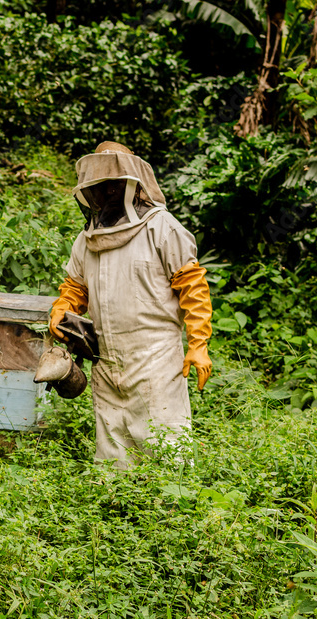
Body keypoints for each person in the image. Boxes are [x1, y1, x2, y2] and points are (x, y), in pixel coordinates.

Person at [48, 141, 213, 470]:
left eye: (114, 185)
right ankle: (114, 499)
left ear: (131, 184)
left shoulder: (162, 227)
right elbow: (76, 286)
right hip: (106, 357)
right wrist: (62, 307)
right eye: (101, 186)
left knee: (165, 447)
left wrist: (199, 344)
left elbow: (192, 286)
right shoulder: (87, 239)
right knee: (113, 452)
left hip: (156, 358)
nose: (108, 192)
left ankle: (171, 499)